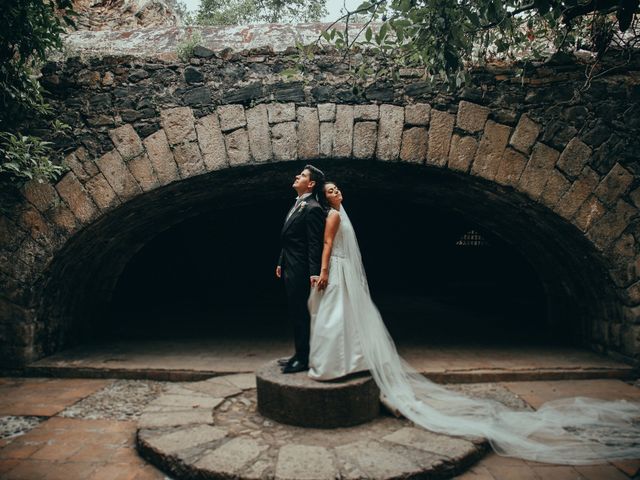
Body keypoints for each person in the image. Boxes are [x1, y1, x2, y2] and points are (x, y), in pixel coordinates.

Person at [308, 181, 640, 465]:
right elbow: (327, 245)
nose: (335, 192)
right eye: (329, 190)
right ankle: (342, 360)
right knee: (338, 316)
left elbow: (335, 246)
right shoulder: (334, 216)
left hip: (341, 271)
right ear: (325, 198)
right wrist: (324, 271)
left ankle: (340, 361)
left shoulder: (339, 214)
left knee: (341, 316)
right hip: (337, 271)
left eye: (337, 188)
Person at [276, 165, 325, 374]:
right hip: (290, 264)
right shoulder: (298, 204)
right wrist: (280, 261)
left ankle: (303, 358)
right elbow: (290, 239)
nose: (297, 176)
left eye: (303, 175)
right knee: (295, 312)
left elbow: (314, 243)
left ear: (311, 183)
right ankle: (299, 352)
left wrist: (314, 272)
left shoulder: (312, 208)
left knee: (302, 313)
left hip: (301, 269)